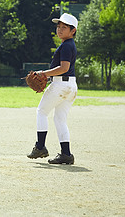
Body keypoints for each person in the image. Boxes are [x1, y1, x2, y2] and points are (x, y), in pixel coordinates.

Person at [27, 13, 78, 164]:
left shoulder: (67, 46)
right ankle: (66, 154)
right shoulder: (69, 45)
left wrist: (43, 73)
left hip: (61, 85)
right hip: (71, 86)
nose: (60, 30)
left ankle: (40, 146)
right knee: (60, 119)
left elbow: (64, 68)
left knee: (41, 112)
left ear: (73, 31)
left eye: (64, 27)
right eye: (58, 26)